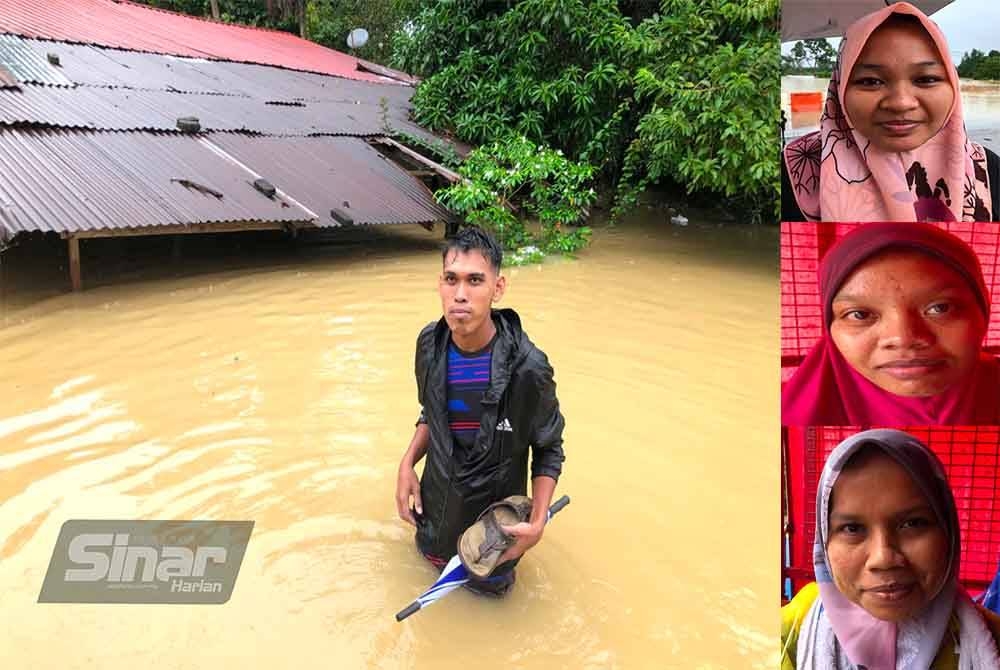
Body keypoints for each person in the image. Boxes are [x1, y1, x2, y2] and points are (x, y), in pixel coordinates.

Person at [394, 226, 565, 596]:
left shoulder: (529, 368)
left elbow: (549, 448)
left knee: (491, 608)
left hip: (491, 543)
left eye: (474, 280)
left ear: (497, 288)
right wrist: (407, 463)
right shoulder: (429, 345)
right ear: (439, 284)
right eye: (451, 279)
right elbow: (430, 412)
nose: (460, 294)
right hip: (433, 521)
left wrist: (537, 524)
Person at [781, 429, 1000, 669]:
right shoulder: (788, 632)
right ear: (824, 542)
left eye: (913, 524)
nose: (883, 558)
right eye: (852, 528)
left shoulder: (992, 639)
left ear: (948, 531)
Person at [781, 1, 999, 222]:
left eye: (926, 79)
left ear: (953, 85)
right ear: (840, 87)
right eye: (870, 81)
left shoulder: (989, 171)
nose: (901, 103)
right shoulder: (792, 172)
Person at [781, 222, 1000, 426]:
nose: (903, 339)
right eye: (859, 315)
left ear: (982, 310)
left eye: (941, 308)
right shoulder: (791, 416)